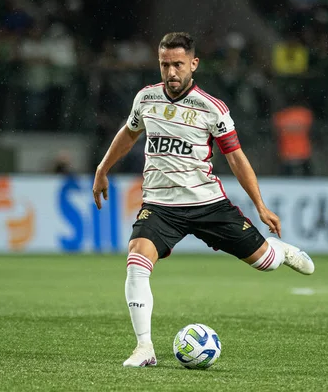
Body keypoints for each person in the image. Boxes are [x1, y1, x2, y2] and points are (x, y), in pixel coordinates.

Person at [92, 32, 315, 368]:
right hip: (160, 207)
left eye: (178, 64)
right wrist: (102, 168)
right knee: (137, 260)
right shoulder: (146, 99)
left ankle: (278, 250)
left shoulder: (212, 109)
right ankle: (144, 348)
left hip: (208, 204)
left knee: (265, 262)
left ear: (193, 64)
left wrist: (260, 205)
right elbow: (129, 133)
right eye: (165, 64)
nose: (171, 72)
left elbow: (236, 158)